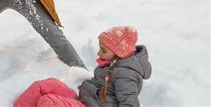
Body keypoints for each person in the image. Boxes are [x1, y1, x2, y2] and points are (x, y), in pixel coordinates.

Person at [14, 26, 152, 106]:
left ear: (119, 53)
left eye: (103, 51)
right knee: (47, 85)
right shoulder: (113, 64)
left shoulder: (126, 75)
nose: (98, 53)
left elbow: (130, 102)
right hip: (85, 100)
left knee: (48, 102)